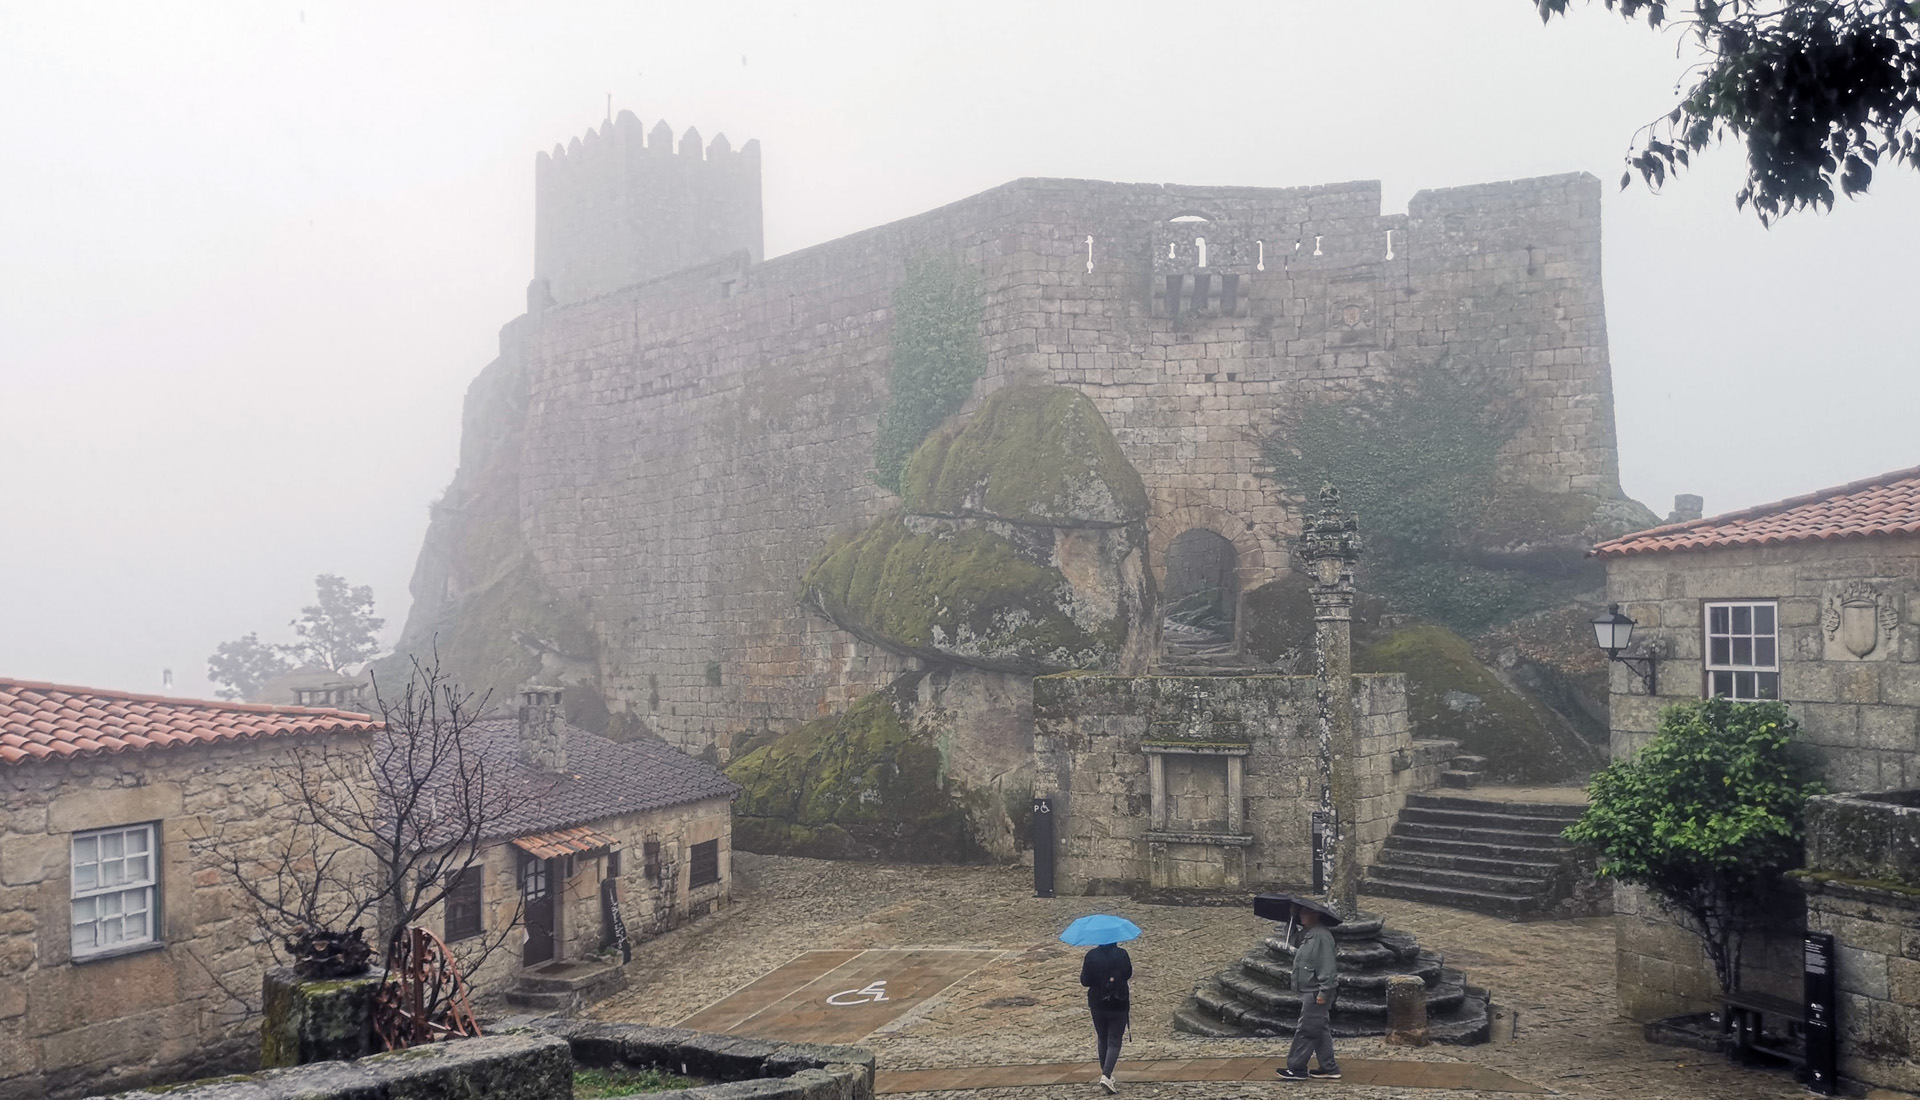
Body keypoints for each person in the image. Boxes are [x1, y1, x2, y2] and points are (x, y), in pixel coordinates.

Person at [1277, 906, 1340, 1082]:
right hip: (1310, 989)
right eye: (1300, 913)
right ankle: (1330, 1067)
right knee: (1319, 1029)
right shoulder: (1309, 934)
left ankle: (1297, 1068)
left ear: (1316, 915)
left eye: (1304, 913)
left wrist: (1324, 992)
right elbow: (1291, 941)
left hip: (1315, 992)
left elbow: (1328, 967)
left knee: (1307, 1029)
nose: (1301, 916)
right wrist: (1290, 918)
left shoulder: (1321, 936)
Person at [1079, 939, 1132, 1093]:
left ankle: (1106, 1073)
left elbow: (1085, 981)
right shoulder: (1122, 954)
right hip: (1118, 1002)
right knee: (1114, 1040)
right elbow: (1128, 974)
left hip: (1097, 1003)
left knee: (1102, 1038)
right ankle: (1106, 1075)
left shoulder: (1091, 956)